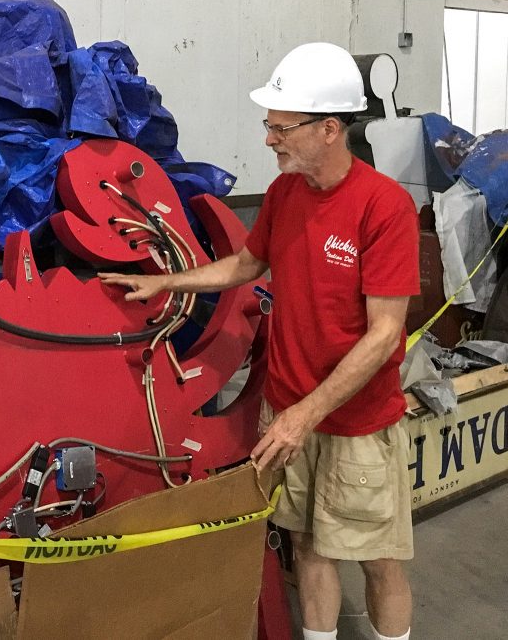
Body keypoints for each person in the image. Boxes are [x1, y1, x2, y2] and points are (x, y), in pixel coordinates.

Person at [99, 42, 419, 640]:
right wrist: (162, 281)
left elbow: (383, 336)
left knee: (379, 559)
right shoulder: (285, 194)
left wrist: (305, 413)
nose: (270, 139)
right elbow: (245, 266)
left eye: (281, 127)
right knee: (308, 547)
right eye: (268, 126)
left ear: (329, 128)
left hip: (357, 420)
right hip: (291, 409)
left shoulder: (385, 207)